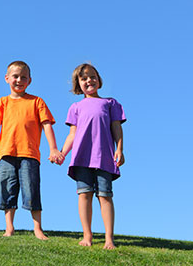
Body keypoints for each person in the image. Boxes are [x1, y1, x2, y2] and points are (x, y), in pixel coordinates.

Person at [0, 61, 64, 240]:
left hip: (29, 154)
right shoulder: (3, 102)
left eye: (23, 77)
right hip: (6, 153)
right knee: (7, 190)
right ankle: (9, 227)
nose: (19, 80)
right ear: (7, 78)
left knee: (32, 190)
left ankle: (37, 229)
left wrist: (53, 148)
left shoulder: (37, 101)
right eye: (15, 76)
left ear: (30, 81)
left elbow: (47, 125)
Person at [58, 63, 125, 249]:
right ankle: (87, 236)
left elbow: (116, 128)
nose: (89, 80)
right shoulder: (76, 107)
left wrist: (120, 148)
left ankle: (109, 239)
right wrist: (63, 153)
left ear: (99, 80)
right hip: (82, 158)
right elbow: (72, 134)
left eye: (92, 76)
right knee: (84, 195)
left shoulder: (110, 103)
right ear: (78, 84)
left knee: (105, 196)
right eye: (84, 78)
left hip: (104, 157)